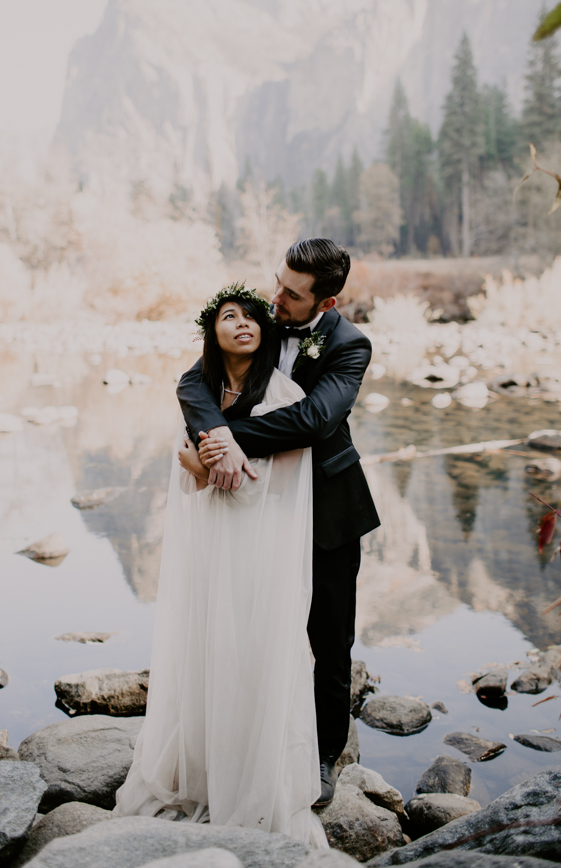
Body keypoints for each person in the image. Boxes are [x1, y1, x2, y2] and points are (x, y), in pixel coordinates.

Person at [115, 285, 327, 847]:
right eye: (228, 317)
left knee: (253, 647)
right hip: (210, 538)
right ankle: (204, 768)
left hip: (262, 543)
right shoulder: (201, 391)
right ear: (212, 333)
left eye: (251, 317)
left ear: (264, 331)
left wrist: (216, 458)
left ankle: (254, 779)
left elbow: (283, 478)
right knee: (207, 642)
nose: (241, 324)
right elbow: (187, 461)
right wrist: (200, 461)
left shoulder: (282, 391)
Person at [178, 239, 380, 807]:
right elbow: (194, 382)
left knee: (329, 639)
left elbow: (317, 418)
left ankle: (323, 756)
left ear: (328, 299)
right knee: (251, 628)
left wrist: (223, 441)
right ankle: (247, 743)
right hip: (256, 513)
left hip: (328, 513)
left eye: (292, 294)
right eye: (278, 283)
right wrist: (208, 432)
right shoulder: (262, 318)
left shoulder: (349, 344)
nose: (276, 300)